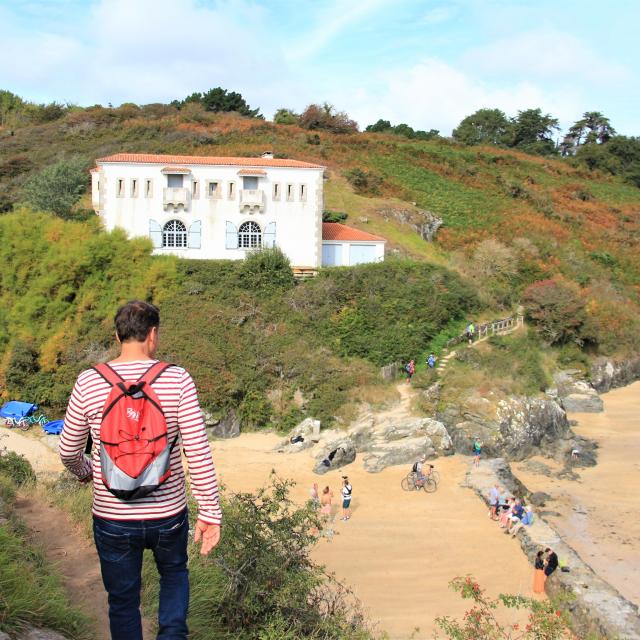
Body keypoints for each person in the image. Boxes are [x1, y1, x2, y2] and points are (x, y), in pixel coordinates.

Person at [59, 300, 221, 640]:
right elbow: (198, 451)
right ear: (153, 334)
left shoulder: (88, 381)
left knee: (122, 602)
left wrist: (87, 471)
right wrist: (210, 512)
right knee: (174, 575)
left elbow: (68, 450)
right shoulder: (177, 379)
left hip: (112, 516)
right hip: (168, 514)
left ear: (117, 335)